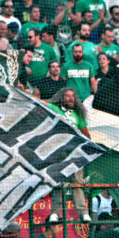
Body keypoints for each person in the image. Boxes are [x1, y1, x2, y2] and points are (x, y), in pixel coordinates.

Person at [47, 88, 92, 222]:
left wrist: (90, 147)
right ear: (61, 97)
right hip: (58, 152)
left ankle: (83, 212)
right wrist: (24, 92)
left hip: (75, 152)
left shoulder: (78, 114)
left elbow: (85, 132)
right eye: (67, 96)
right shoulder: (55, 109)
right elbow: (40, 102)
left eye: (72, 96)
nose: (70, 98)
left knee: (77, 183)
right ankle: (55, 213)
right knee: (59, 182)